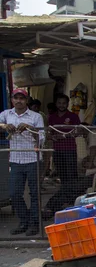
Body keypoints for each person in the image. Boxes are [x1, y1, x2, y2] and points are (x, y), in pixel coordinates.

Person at [0, 89, 45, 236]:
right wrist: (5, 126)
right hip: (15, 159)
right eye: (16, 98)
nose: (19, 101)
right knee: (14, 193)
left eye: (22, 98)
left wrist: (30, 129)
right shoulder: (6, 114)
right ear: (12, 99)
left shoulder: (36, 116)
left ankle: (34, 224)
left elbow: (42, 138)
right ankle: (24, 221)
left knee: (34, 193)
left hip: (32, 159)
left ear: (27, 100)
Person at [48, 94, 81, 189]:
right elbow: (49, 133)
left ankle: (73, 196)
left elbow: (78, 132)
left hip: (70, 150)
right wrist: (52, 137)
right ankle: (65, 195)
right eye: (59, 103)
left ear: (67, 104)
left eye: (64, 103)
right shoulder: (51, 117)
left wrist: (63, 136)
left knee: (72, 174)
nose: (61, 105)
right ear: (56, 104)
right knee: (62, 175)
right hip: (57, 150)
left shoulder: (73, 116)